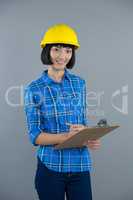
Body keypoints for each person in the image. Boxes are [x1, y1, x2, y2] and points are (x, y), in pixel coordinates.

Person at [24, 23, 101, 200]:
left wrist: (87, 137)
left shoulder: (79, 83)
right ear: (47, 51)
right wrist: (67, 137)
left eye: (68, 51)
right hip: (51, 167)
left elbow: (80, 122)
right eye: (57, 49)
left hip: (80, 165)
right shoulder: (34, 89)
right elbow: (35, 136)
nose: (62, 56)